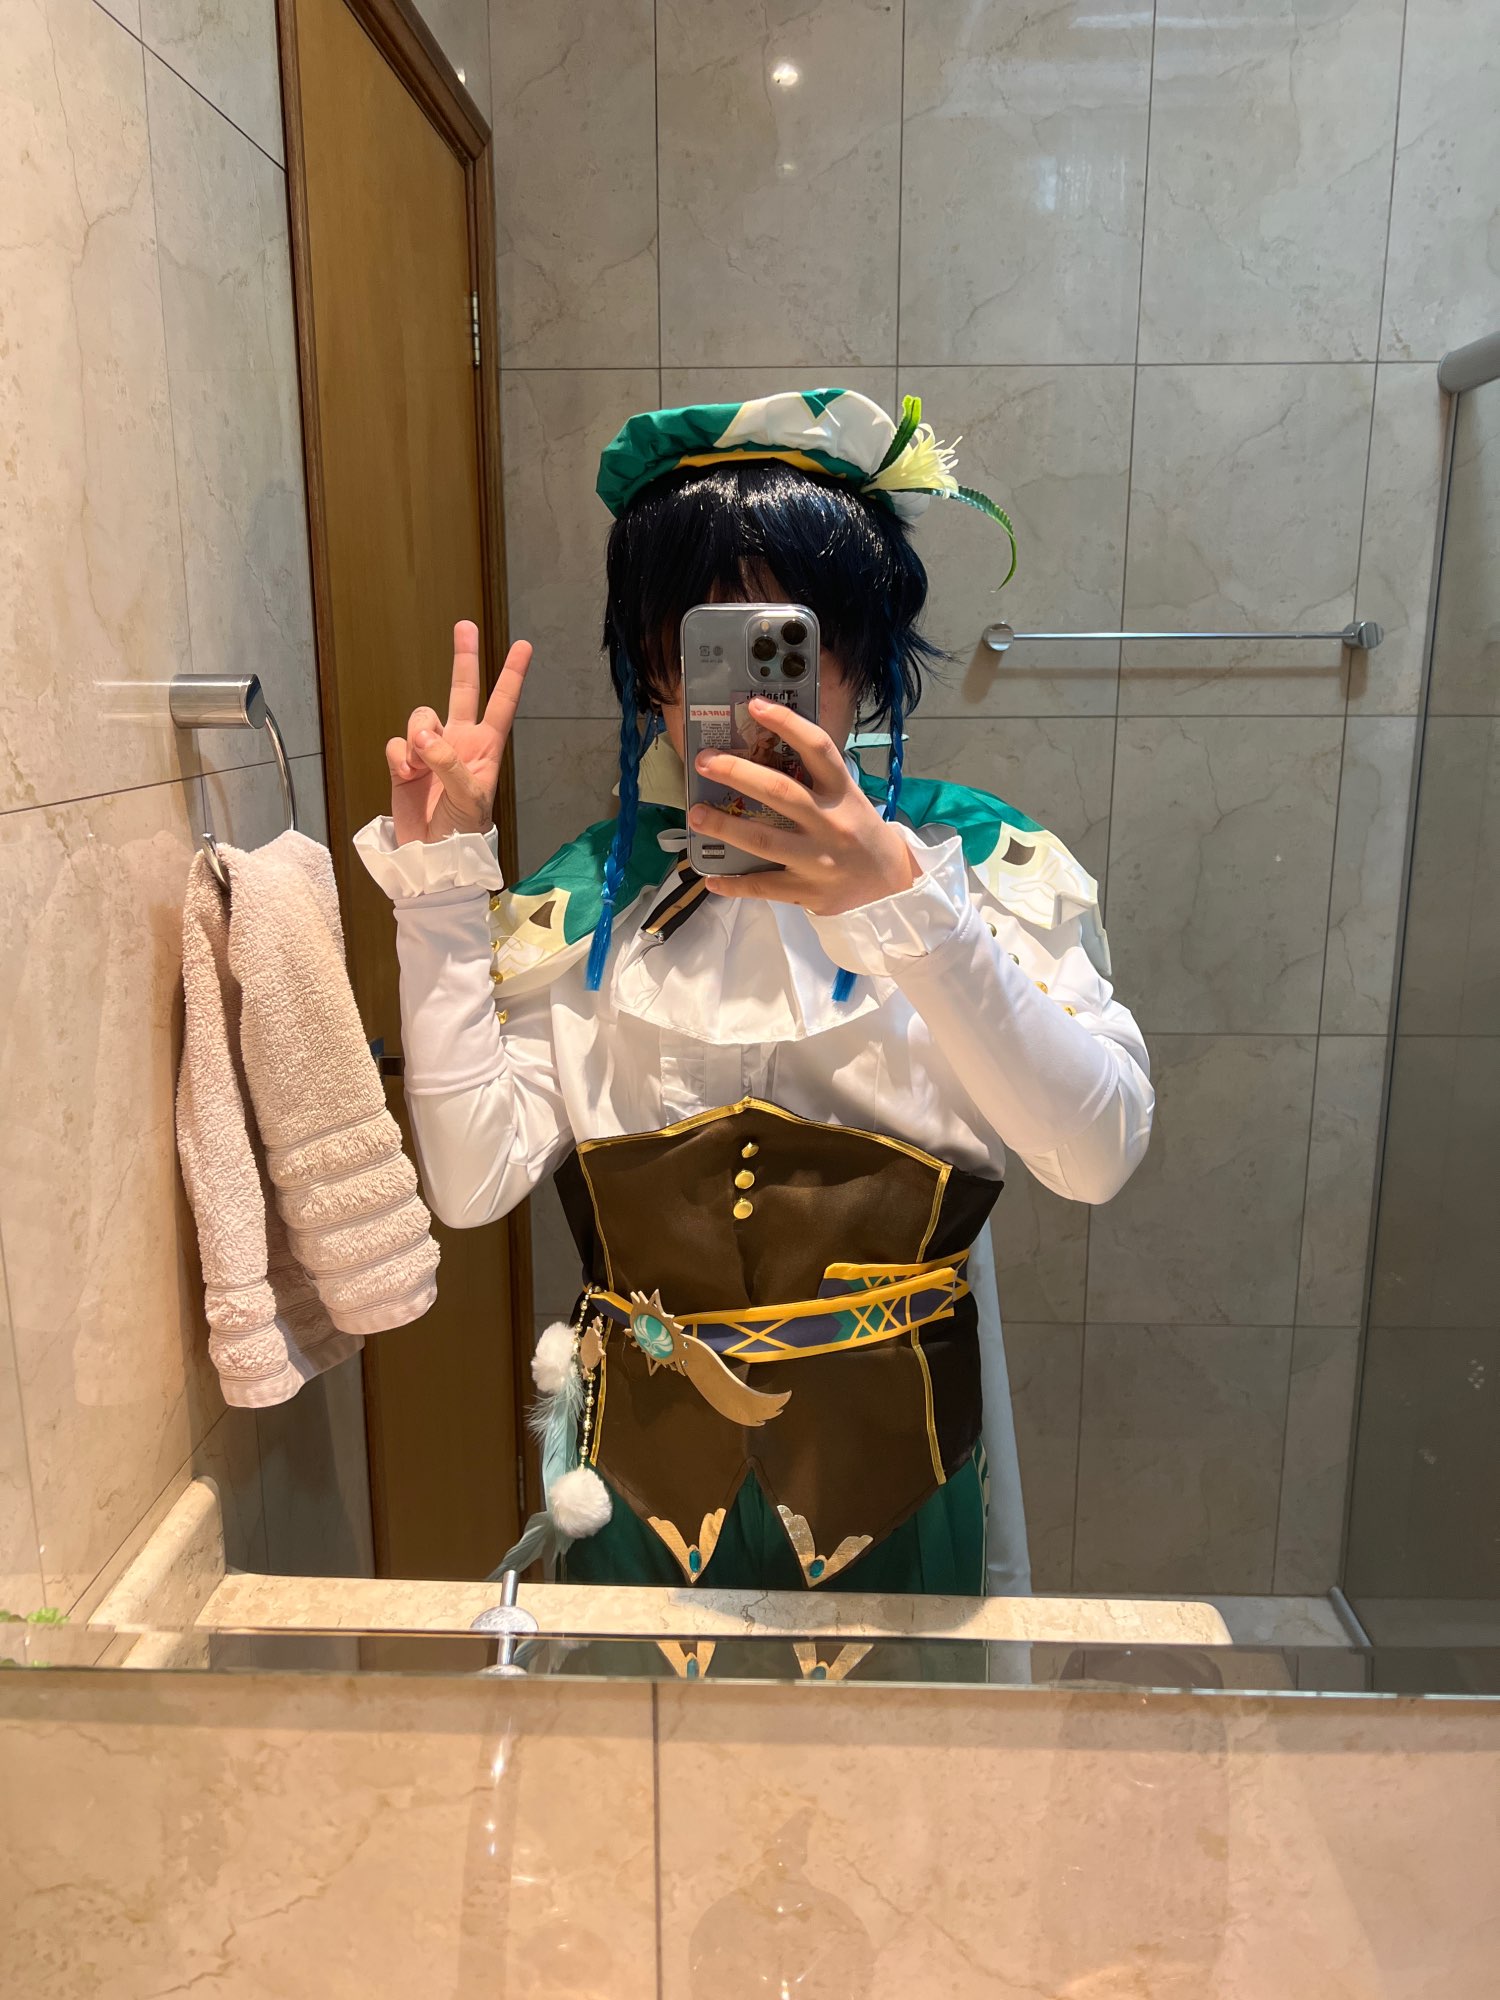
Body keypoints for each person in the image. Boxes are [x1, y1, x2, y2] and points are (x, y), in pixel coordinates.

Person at [355, 389, 1153, 1600]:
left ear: (866, 654)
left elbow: (1096, 1155)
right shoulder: (592, 904)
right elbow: (471, 1186)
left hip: (903, 1489)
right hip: (635, 1492)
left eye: (789, 639)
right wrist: (440, 890)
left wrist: (908, 910)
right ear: (653, 671)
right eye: (699, 647)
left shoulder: (979, 874)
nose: (749, 694)